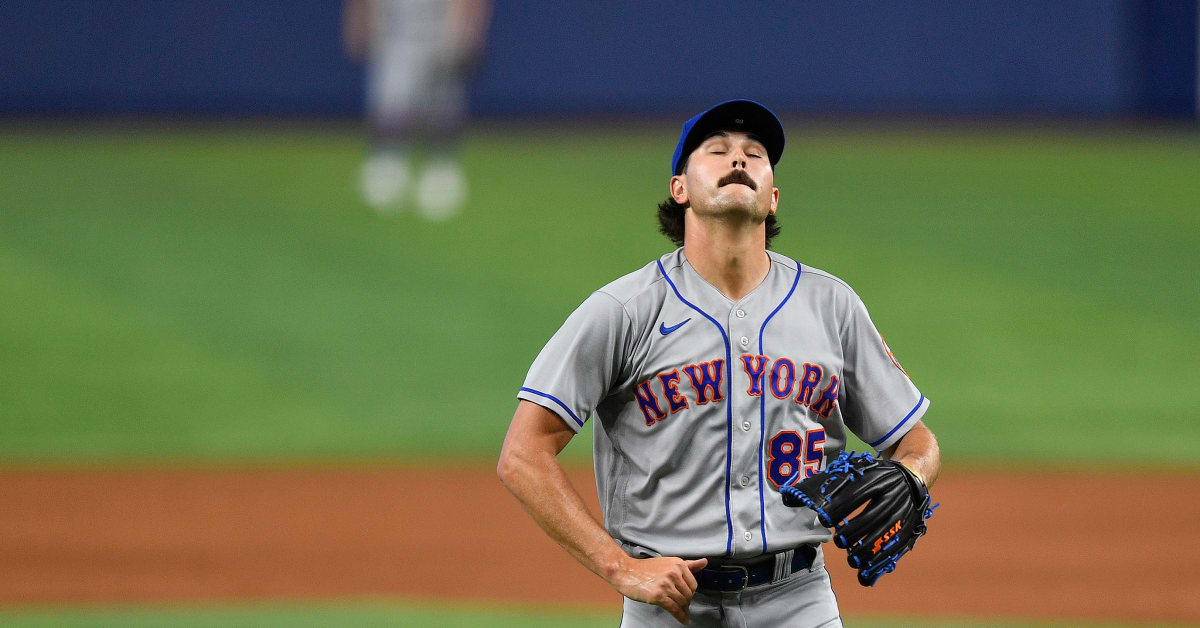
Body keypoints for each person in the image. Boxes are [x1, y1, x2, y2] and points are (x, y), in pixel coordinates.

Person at [497, 100, 941, 627]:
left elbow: (917, 443)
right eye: (717, 150)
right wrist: (619, 567)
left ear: (773, 198)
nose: (739, 158)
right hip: (668, 608)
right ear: (679, 188)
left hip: (799, 598)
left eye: (755, 154)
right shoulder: (625, 311)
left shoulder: (831, 305)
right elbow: (523, 454)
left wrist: (912, 476)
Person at [342, 0, 490, 219]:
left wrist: (468, 33)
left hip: (441, 39)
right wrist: (358, 22)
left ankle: (439, 175)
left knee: (441, 109)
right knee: (391, 106)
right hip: (396, 38)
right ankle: (388, 173)